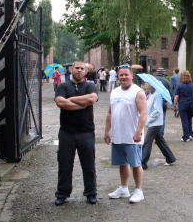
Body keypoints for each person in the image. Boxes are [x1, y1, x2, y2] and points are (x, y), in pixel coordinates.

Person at [53, 61, 99, 206]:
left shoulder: (90, 86)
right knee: (65, 164)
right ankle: (62, 194)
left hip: (86, 132)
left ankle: (91, 193)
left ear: (85, 72)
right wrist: (82, 104)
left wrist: (71, 100)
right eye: (76, 68)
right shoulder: (63, 86)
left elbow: (92, 99)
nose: (79, 70)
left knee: (89, 165)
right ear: (71, 70)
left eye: (82, 69)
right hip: (67, 133)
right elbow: (61, 103)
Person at [104, 64, 147, 203]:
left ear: (131, 76)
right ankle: (123, 188)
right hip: (118, 135)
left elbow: (143, 114)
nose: (123, 77)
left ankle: (139, 191)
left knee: (135, 164)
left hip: (132, 136)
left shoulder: (138, 92)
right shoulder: (114, 92)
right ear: (117, 77)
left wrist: (138, 132)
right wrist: (107, 131)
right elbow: (110, 113)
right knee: (122, 163)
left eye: (126, 74)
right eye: (121, 75)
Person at [141, 82, 176, 169]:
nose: (145, 85)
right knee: (160, 142)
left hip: (155, 123)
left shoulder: (157, 95)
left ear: (151, 85)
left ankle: (142, 163)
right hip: (153, 122)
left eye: (146, 84)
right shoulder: (150, 95)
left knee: (147, 142)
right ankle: (170, 158)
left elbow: (157, 111)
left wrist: (149, 120)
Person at [172, 70, 193, 142]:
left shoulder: (179, 85)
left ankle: (186, 136)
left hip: (183, 105)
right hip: (191, 105)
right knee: (189, 119)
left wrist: (174, 105)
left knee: (184, 121)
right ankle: (190, 134)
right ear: (189, 76)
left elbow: (176, 96)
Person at [154, 67, 172, 136]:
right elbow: (171, 94)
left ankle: (154, 134)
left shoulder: (153, 80)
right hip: (163, 102)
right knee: (162, 118)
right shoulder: (167, 82)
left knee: (154, 118)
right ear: (163, 74)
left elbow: (147, 92)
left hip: (154, 102)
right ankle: (160, 135)